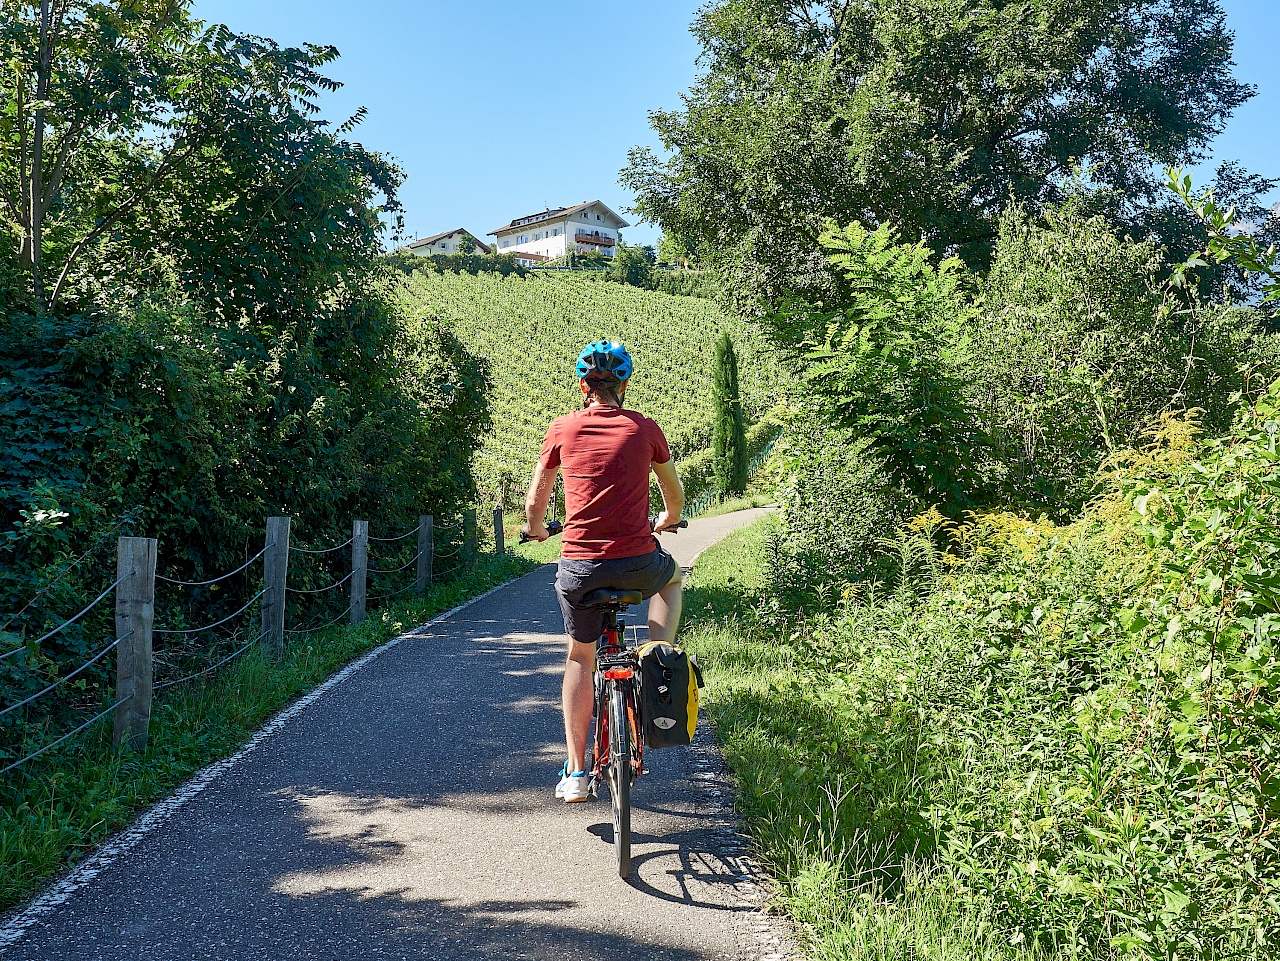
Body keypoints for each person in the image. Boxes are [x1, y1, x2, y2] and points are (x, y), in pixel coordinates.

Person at [522, 340, 685, 803]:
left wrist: (536, 531)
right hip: (637, 563)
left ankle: (575, 772)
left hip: (579, 567)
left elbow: (535, 504)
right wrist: (668, 520)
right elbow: (673, 497)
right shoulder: (646, 430)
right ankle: (657, 648)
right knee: (672, 579)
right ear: (625, 386)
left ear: (582, 385)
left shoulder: (561, 430)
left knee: (579, 655)